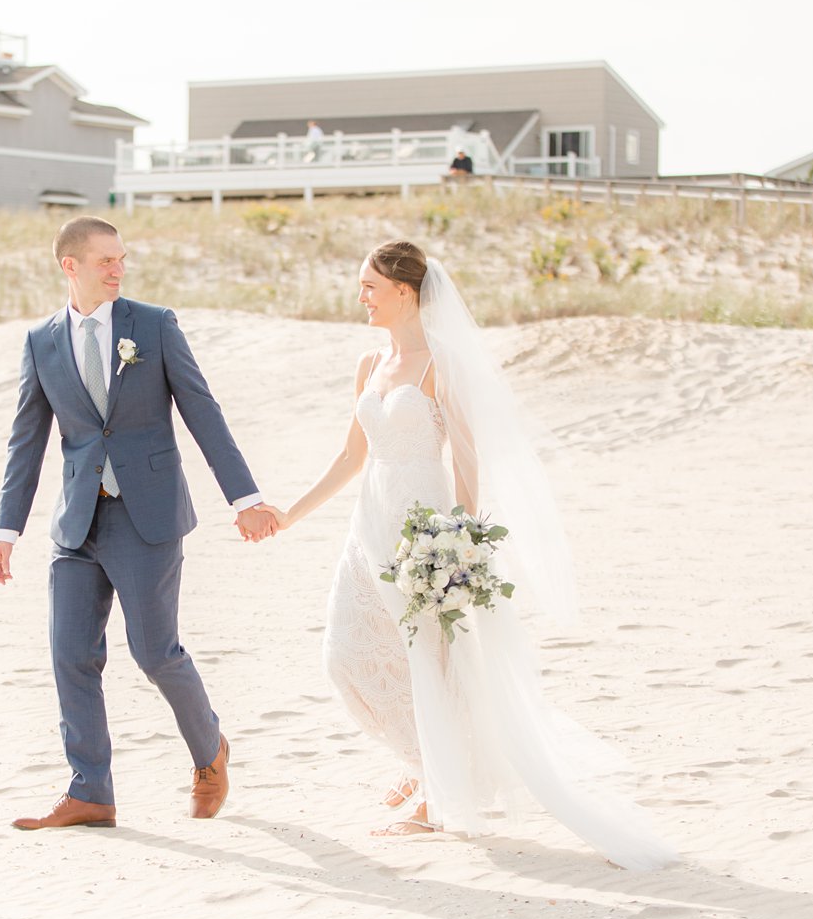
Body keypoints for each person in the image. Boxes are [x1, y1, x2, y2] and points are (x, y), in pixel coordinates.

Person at [262, 240, 679, 870]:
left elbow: (466, 454)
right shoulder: (368, 363)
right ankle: (426, 759)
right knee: (344, 653)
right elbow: (352, 456)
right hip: (368, 524)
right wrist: (290, 513)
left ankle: (436, 789)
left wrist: (456, 540)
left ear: (405, 291)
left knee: (429, 657)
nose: (361, 298)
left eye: (370, 287)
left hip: (422, 528)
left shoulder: (442, 364)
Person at [0, 216, 280, 830]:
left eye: (122, 258)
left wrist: (244, 497)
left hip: (147, 517)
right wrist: (6, 531)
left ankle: (210, 753)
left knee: (154, 652)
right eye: (105, 261)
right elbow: (27, 441)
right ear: (70, 266)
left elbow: (203, 412)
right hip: (77, 522)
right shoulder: (41, 341)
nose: (118, 269)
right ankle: (90, 791)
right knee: (70, 654)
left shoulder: (152, 325)